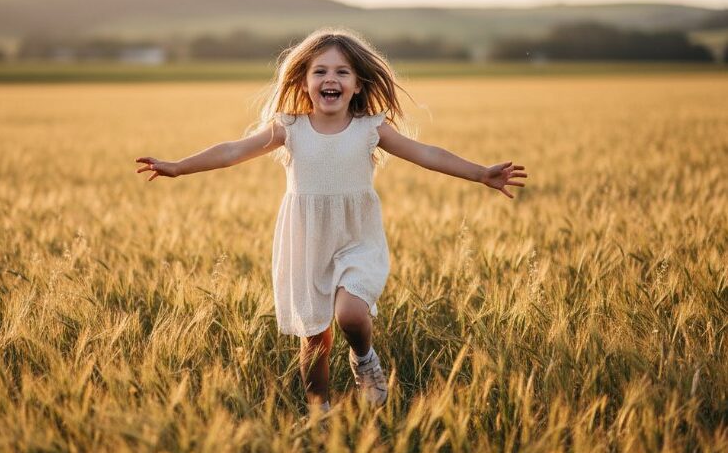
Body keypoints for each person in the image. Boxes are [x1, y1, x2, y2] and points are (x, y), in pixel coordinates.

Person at [136, 28, 527, 413]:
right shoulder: (288, 128)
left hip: (357, 237)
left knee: (351, 315)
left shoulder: (370, 128)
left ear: (358, 85)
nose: (331, 79)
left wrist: (479, 173)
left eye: (342, 72)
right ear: (304, 82)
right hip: (306, 242)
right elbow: (231, 152)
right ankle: (319, 412)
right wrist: (178, 167)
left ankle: (365, 360)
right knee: (315, 341)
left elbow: (427, 153)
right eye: (320, 71)